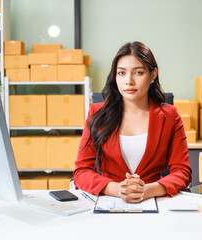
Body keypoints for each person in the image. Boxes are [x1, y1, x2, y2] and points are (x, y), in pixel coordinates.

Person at [73, 41, 191, 203]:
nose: (129, 81)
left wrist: (149, 190)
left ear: (153, 74)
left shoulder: (170, 116)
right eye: (121, 73)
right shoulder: (97, 113)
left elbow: (182, 171)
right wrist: (117, 189)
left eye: (138, 73)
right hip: (110, 201)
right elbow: (81, 171)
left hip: (155, 202)